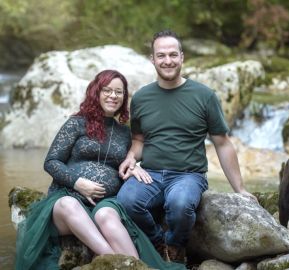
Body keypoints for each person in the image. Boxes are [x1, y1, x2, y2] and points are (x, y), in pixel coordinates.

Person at [15, 69, 186, 270]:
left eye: (119, 92)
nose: (113, 96)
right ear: (96, 92)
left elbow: (125, 164)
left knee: (106, 215)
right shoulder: (76, 123)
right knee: (69, 205)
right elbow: (51, 161)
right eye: (107, 90)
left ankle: (138, 267)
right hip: (68, 197)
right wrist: (78, 183)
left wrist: (132, 169)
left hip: (106, 202)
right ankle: (114, 261)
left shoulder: (124, 132)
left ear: (124, 98)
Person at [117, 30, 257, 264]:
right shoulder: (141, 97)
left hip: (188, 175)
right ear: (152, 59)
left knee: (180, 204)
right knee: (127, 202)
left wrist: (240, 189)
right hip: (150, 174)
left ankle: (175, 245)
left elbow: (222, 143)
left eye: (173, 54)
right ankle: (158, 242)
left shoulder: (204, 96)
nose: (167, 60)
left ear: (182, 57)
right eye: (161, 55)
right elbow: (139, 140)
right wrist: (131, 157)